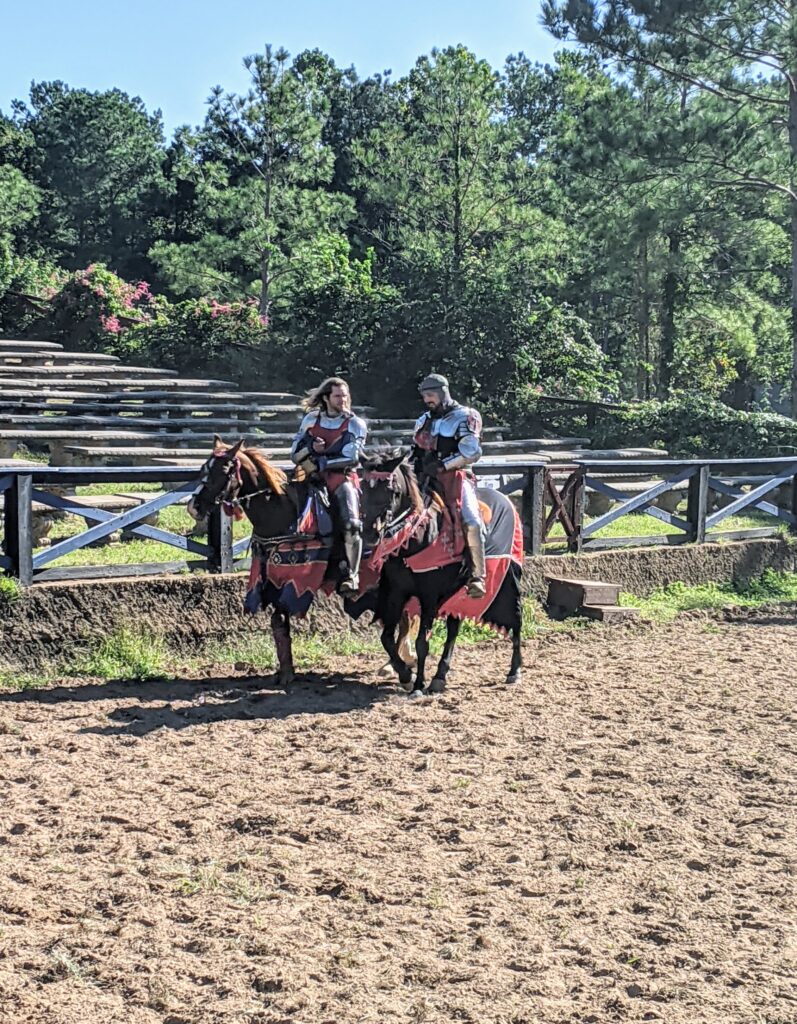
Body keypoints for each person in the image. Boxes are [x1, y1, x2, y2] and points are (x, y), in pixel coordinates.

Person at [411, 373, 487, 599]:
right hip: (425, 476)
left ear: (443, 392)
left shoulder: (466, 416)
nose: (427, 400)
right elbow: (414, 448)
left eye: (431, 395)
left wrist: (443, 465)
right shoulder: (424, 419)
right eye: (424, 396)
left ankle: (477, 576)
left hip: (457, 477)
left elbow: (472, 452)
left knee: (472, 522)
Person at [291, 377, 367, 593]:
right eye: (338, 396)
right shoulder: (310, 420)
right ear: (326, 398)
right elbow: (295, 454)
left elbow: (352, 458)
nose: (343, 400)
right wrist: (311, 448)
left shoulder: (355, 423)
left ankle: (352, 575)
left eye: (345, 396)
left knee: (352, 524)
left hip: (341, 478)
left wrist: (321, 460)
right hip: (310, 477)